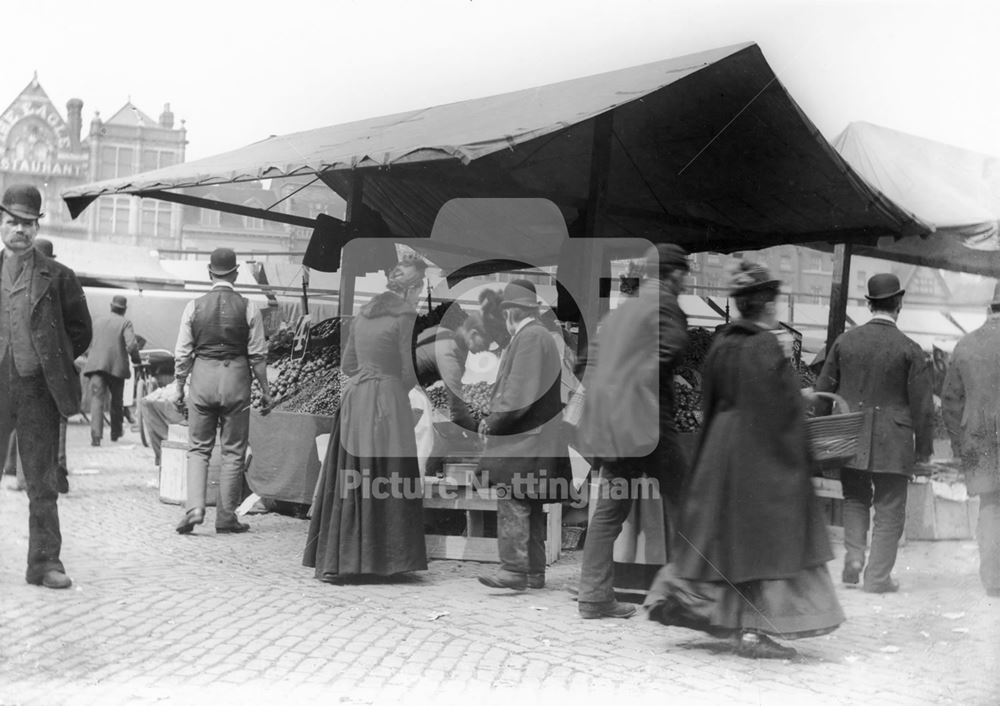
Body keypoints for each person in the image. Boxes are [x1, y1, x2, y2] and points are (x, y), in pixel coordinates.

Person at [644, 261, 843, 659]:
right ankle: (754, 629)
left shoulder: (722, 343)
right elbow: (776, 407)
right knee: (767, 542)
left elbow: (710, 399)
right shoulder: (766, 345)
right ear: (767, 305)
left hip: (719, 452)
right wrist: (797, 411)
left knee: (727, 540)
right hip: (759, 456)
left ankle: (731, 619)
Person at [575, 243, 690, 619]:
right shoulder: (664, 304)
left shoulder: (619, 313)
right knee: (686, 504)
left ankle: (593, 598)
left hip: (615, 426)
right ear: (672, 274)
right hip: (649, 422)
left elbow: (591, 364)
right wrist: (637, 384)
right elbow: (670, 349)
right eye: (683, 273)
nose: (684, 281)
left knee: (607, 514)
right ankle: (685, 598)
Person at [303, 255, 429, 582]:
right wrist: (391, 386)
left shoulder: (362, 313)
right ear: (412, 288)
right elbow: (408, 371)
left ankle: (339, 560)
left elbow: (347, 364)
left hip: (355, 401)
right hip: (387, 400)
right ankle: (383, 562)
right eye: (420, 287)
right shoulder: (406, 317)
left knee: (351, 475)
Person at [813, 273, 934, 593]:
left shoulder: (844, 341)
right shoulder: (911, 348)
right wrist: (923, 452)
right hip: (894, 440)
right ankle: (878, 577)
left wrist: (822, 438)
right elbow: (923, 408)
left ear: (869, 304)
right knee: (890, 507)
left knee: (854, 497)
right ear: (899, 303)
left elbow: (822, 390)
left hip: (851, 435)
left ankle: (854, 558)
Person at [0, 184, 92, 589]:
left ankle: (44, 564)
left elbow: (80, 330)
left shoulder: (58, 276)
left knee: (42, 481)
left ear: (36, 227)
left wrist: (52, 359)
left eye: (26, 223)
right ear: (0, 224)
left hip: (37, 390)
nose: (18, 229)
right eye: (11, 221)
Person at [476, 279, 573, 591]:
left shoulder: (530, 337)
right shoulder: (537, 335)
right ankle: (533, 572)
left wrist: (492, 422)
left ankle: (514, 570)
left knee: (513, 497)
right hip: (536, 436)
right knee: (529, 503)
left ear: (511, 312)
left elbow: (518, 394)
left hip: (525, 438)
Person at [173, 247, 273, 534]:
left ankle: (194, 507)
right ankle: (226, 517)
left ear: (209, 272)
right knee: (233, 451)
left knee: (198, 448)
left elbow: (182, 354)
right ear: (236, 273)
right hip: (236, 380)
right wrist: (266, 391)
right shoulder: (249, 306)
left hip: (202, 378)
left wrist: (180, 386)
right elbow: (258, 356)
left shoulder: (193, 306)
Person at [941, 281, 1000, 598]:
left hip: (979, 442)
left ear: (990, 308)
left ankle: (994, 580)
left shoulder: (965, 345)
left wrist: (958, 444)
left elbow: (950, 403)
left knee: (991, 507)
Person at [413, 307, 492, 473]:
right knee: (432, 443)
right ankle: (423, 478)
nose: (483, 350)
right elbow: (458, 407)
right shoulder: (449, 349)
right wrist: (474, 436)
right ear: (474, 333)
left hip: (409, 386)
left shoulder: (445, 333)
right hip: (402, 388)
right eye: (485, 343)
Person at [83, 295, 142, 446]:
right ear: (124, 309)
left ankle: (96, 437)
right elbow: (131, 345)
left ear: (111, 306)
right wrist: (137, 360)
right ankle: (115, 433)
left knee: (97, 400)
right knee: (116, 402)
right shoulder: (125, 322)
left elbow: (88, 342)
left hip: (96, 366)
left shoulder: (98, 322)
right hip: (116, 368)